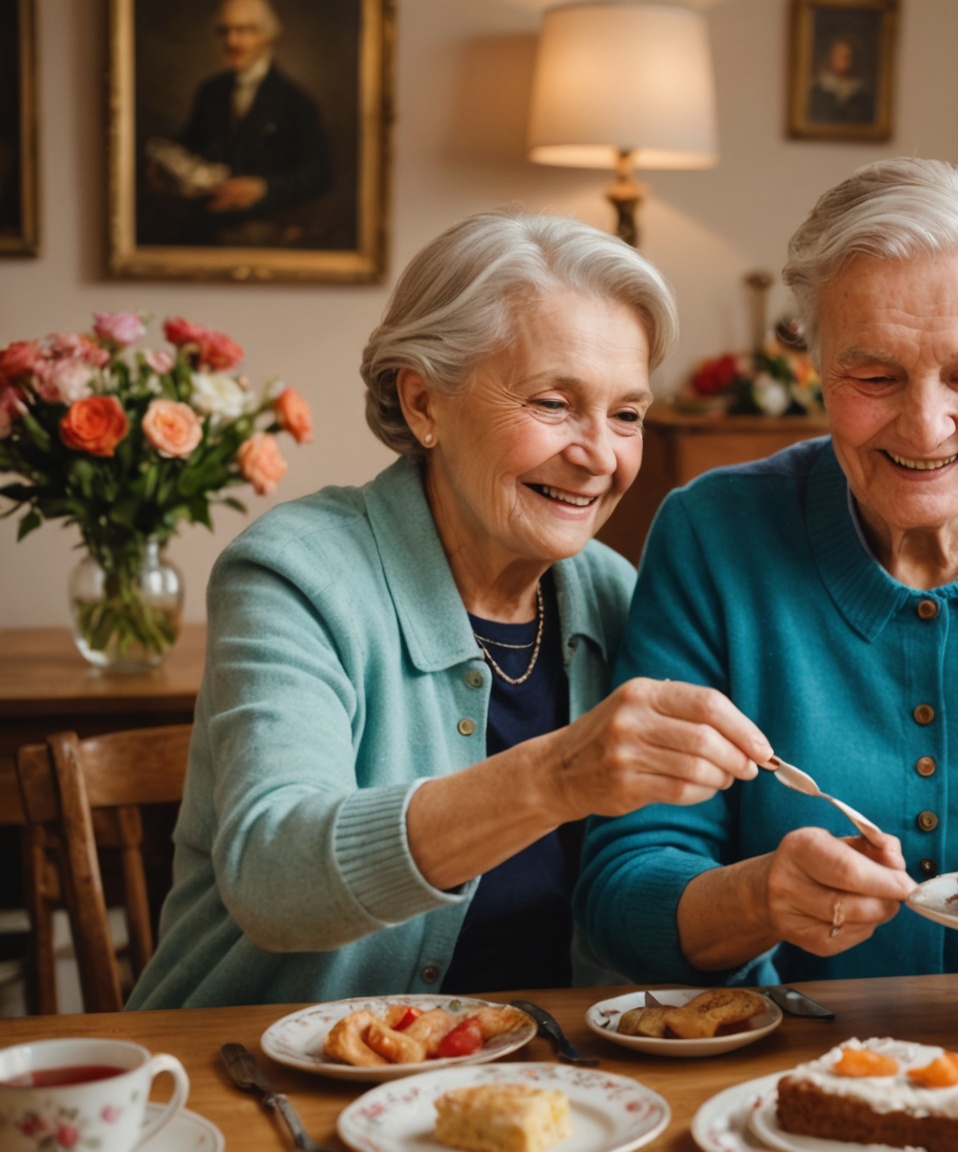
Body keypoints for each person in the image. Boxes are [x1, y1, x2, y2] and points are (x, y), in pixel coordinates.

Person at [577, 157, 958, 986]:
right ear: (813, 364)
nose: (926, 424)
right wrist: (757, 899)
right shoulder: (713, 536)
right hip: (787, 1070)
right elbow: (626, 886)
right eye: (874, 377)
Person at [129, 211, 772, 1008]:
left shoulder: (613, 594)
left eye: (627, 414)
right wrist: (557, 776)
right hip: (257, 1076)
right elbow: (273, 875)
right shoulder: (297, 571)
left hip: (539, 1096)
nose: (601, 455)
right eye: (551, 402)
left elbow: (647, 886)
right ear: (425, 403)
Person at [160, 0, 334, 246]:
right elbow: (188, 146)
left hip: (267, 232)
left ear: (267, 35)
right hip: (205, 230)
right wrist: (165, 169)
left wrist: (263, 189)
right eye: (225, 31)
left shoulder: (295, 101)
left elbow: (320, 174)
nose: (232, 42)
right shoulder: (210, 91)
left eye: (244, 30)